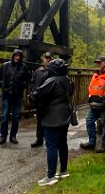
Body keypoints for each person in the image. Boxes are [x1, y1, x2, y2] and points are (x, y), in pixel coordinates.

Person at [30, 58, 73, 186]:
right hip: (65, 114)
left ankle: (51, 176)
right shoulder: (68, 80)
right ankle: (63, 170)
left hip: (52, 116)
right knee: (62, 142)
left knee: (51, 145)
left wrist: (32, 96)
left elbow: (37, 94)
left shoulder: (52, 81)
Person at [0, 49, 29, 144]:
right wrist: (5, 87)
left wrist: (21, 86)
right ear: (13, 56)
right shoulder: (5, 66)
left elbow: (27, 79)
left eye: (19, 56)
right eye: (16, 55)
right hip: (6, 94)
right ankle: (3, 136)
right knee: (4, 116)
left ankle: (13, 136)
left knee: (15, 116)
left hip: (17, 95)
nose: (17, 57)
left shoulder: (24, 67)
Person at [81, 55, 105, 151]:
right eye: (97, 63)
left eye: (100, 63)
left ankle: (104, 145)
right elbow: (91, 87)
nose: (98, 65)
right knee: (89, 121)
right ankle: (91, 142)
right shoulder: (95, 74)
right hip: (94, 105)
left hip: (104, 105)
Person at [28, 52, 53, 148]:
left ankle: (49, 139)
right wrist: (33, 93)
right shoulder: (38, 71)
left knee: (49, 120)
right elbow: (32, 82)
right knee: (40, 120)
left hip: (49, 100)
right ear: (43, 59)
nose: (48, 60)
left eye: (50, 58)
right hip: (39, 100)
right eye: (46, 58)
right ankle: (39, 139)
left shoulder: (53, 71)